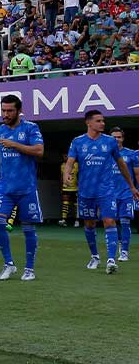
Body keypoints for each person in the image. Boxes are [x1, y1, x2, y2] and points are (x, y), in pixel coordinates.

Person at [64, 110, 138, 274]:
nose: (102, 123)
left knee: (109, 221)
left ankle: (111, 259)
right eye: (98, 121)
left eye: (103, 120)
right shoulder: (78, 142)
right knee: (89, 224)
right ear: (88, 123)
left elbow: (121, 164)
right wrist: (66, 174)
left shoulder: (110, 142)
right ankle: (95, 256)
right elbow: (70, 162)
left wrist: (132, 186)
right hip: (85, 191)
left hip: (106, 191)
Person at [0, 95, 44, 281]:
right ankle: (8, 264)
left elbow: (39, 151)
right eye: (3, 110)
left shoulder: (30, 128)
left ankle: (29, 268)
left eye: (9, 110)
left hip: (27, 188)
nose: (5, 114)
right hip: (5, 188)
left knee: (28, 228)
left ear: (18, 110)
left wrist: (15, 145)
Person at [109, 127, 136, 262]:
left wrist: (135, 190)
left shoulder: (131, 154)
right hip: (109, 194)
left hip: (126, 193)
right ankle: (119, 243)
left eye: (119, 137)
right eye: (114, 137)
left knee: (125, 222)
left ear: (123, 139)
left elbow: (137, 174)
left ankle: (124, 251)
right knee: (112, 223)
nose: (116, 140)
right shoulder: (106, 155)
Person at [58, 154, 79, 227]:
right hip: (65, 187)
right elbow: (61, 177)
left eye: (66, 156)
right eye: (63, 156)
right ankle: (64, 220)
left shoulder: (76, 164)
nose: (64, 157)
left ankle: (77, 220)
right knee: (65, 203)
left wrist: (80, 186)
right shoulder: (63, 165)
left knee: (76, 205)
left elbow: (80, 175)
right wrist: (61, 187)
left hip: (75, 188)